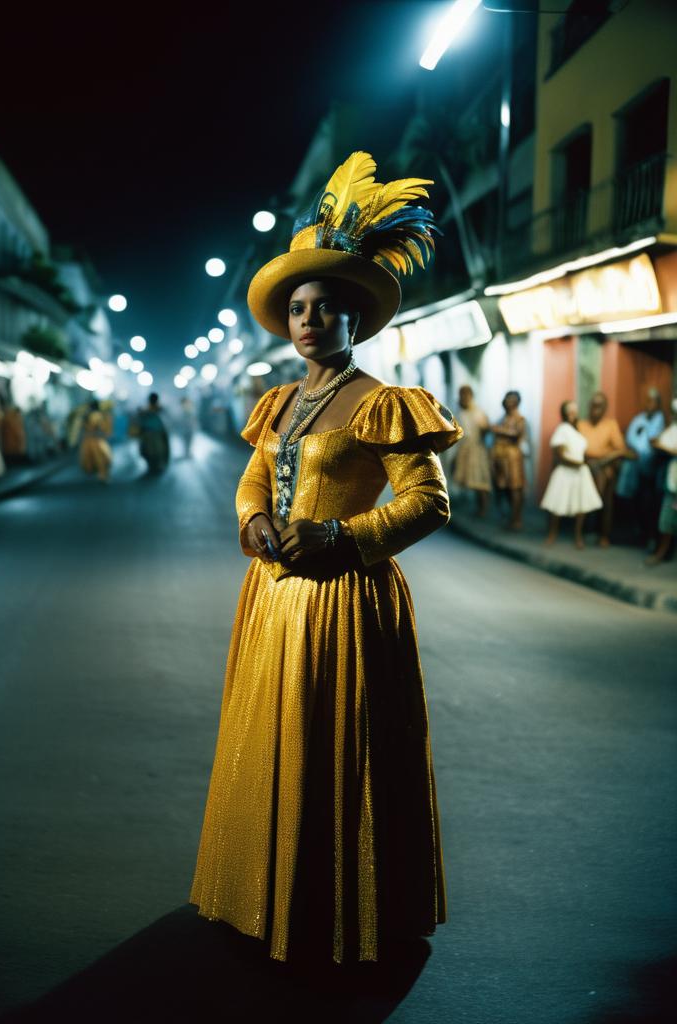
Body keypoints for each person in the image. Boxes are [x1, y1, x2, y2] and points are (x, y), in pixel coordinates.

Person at [190, 151, 458, 965]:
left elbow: (429, 501)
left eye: (326, 307)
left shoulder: (384, 403)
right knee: (271, 742)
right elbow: (249, 487)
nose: (309, 319)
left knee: (340, 757)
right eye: (299, 308)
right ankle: (263, 895)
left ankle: (340, 911)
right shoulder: (277, 404)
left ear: (353, 319)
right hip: (272, 601)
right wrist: (255, 526)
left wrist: (343, 536)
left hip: (347, 603)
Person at [540, 400, 602, 548]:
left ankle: (578, 536)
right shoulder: (562, 429)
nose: (573, 413)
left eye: (575, 410)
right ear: (564, 413)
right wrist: (578, 464)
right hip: (566, 471)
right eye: (570, 410)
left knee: (580, 505)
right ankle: (552, 534)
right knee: (557, 504)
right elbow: (560, 455)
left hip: (580, 472)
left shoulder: (577, 430)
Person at [578, 391, 630, 547]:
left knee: (606, 499)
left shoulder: (610, 425)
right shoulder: (581, 424)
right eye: (593, 405)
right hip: (585, 465)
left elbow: (621, 449)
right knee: (583, 498)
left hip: (605, 466)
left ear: (605, 408)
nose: (596, 409)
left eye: (599, 406)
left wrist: (604, 460)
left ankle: (604, 535)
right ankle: (581, 533)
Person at [617, 387, 665, 546]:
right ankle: (640, 533)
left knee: (651, 502)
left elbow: (658, 442)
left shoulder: (662, 420)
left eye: (652, 401)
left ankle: (652, 536)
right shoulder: (639, 419)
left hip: (654, 468)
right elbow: (630, 439)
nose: (648, 404)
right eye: (647, 401)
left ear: (658, 404)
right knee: (636, 499)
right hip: (637, 466)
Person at [451, 384, 491, 516]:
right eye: (462, 395)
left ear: (471, 396)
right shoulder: (459, 412)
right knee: (471, 480)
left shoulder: (478, 412)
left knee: (480, 480)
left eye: (466, 395)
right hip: (464, 448)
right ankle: (478, 509)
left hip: (477, 449)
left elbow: (485, 430)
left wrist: (485, 429)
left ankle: (484, 509)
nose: (464, 398)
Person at [646, 399, 677, 567]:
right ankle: (661, 551)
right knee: (667, 519)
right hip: (670, 481)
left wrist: (663, 448)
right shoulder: (671, 430)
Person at [490, 390, 527, 531]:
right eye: (506, 400)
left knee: (515, 487)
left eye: (510, 400)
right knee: (504, 487)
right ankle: (511, 516)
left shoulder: (519, 419)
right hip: (501, 457)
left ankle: (516, 519)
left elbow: (517, 434)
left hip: (512, 457)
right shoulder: (504, 418)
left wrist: (499, 430)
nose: (507, 403)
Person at [78, 399, 112, 482]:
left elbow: (82, 428)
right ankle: (103, 475)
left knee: (91, 459)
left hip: (88, 441)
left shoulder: (86, 416)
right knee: (101, 458)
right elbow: (102, 428)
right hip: (97, 441)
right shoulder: (98, 415)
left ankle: (100, 475)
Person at [136, 392, 170, 474]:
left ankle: (156, 466)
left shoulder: (156, 408)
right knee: (152, 451)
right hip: (151, 433)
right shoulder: (147, 409)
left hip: (154, 433)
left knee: (156, 451)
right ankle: (153, 466)